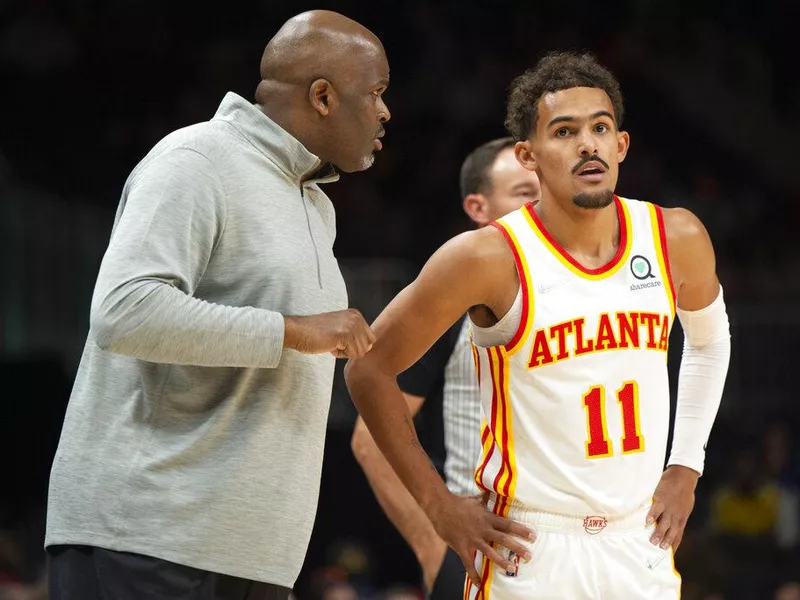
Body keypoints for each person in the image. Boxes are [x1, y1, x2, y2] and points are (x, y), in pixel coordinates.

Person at [345, 51, 730, 599]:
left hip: (637, 540)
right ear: (529, 155)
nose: (587, 144)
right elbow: (367, 370)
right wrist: (438, 507)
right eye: (564, 131)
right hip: (529, 545)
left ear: (621, 145)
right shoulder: (485, 258)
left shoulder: (677, 237)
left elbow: (711, 343)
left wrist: (687, 467)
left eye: (600, 128)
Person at [44, 10, 390, 600]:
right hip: (147, 537)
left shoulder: (314, 203)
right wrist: (293, 330)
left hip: (252, 554)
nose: (385, 112)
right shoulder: (197, 159)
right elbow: (125, 311)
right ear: (324, 96)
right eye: (377, 92)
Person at [350, 137, 540, 598]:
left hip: (583, 545)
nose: (540, 204)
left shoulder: (585, 290)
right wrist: (433, 541)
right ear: (478, 206)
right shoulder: (458, 298)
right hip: (488, 553)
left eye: (544, 190)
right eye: (523, 194)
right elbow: (368, 438)